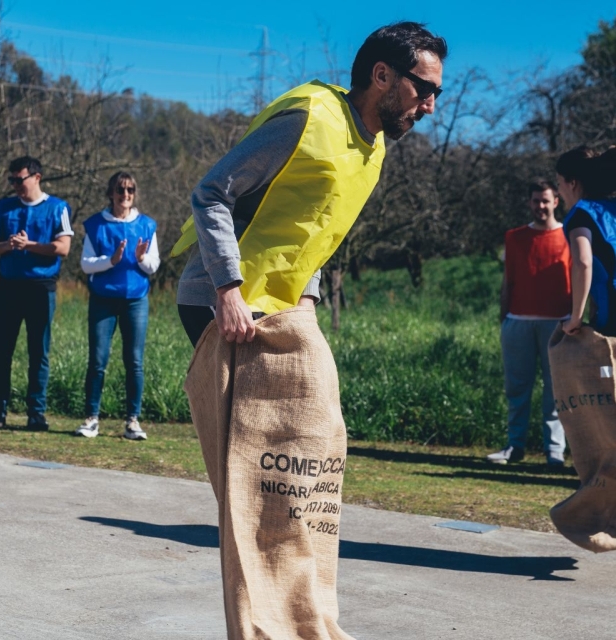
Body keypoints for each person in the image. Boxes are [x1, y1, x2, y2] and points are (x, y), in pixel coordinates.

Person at [173, 21, 446, 639]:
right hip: (229, 305)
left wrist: (308, 298)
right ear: (382, 75)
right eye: (424, 88)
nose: (430, 105)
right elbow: (212, 193)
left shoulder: (373, 149)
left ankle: (300, 618)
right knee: (258, 483)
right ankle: (265, 626)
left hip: (285, 309)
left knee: (304, 467)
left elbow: (314, 229)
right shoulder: (310, 118)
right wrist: (227, 291)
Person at [0, 156, 73, 431]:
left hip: (40, 287)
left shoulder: (57, 208)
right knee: (1, 351)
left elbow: (63, 248)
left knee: (38, 351)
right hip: (8, 286)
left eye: (20, 180)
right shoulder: (5, 207)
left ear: (36, 177)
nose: (16, 185)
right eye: (12, 180)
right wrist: (9, 245)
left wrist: (29, 245)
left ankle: (36, 413)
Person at [486, 181, 571, 467]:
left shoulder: (570, 234)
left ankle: (555, 451)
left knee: (555, 391)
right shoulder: (514, 237)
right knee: (517, 389)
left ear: (556, 201)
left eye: (545, 200)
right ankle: (515, 446)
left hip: (557, 324)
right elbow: (507, 281)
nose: (540, 206)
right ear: (529, 202)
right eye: (536, 201)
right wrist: (505, 321)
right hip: (518, 322)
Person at [74, 172, 160, 441]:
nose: (125, 195)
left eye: (130, 190)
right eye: (120, 190)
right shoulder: (96, 225)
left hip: (136, 301)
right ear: (111, 193)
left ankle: (133, 421)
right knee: (97, 361)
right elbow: (86, 264)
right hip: (103, 300)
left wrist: (141, 257)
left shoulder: (146, 225)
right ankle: (91, 419)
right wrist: (111, 260)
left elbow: (153, 266)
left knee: (134, 362)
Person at [557, 146, 616, 337]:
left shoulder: (581, 214)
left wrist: (576, 318)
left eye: (559, 183)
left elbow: (583, 262)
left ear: (572, 183)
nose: (558, 191)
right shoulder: (612, 207)